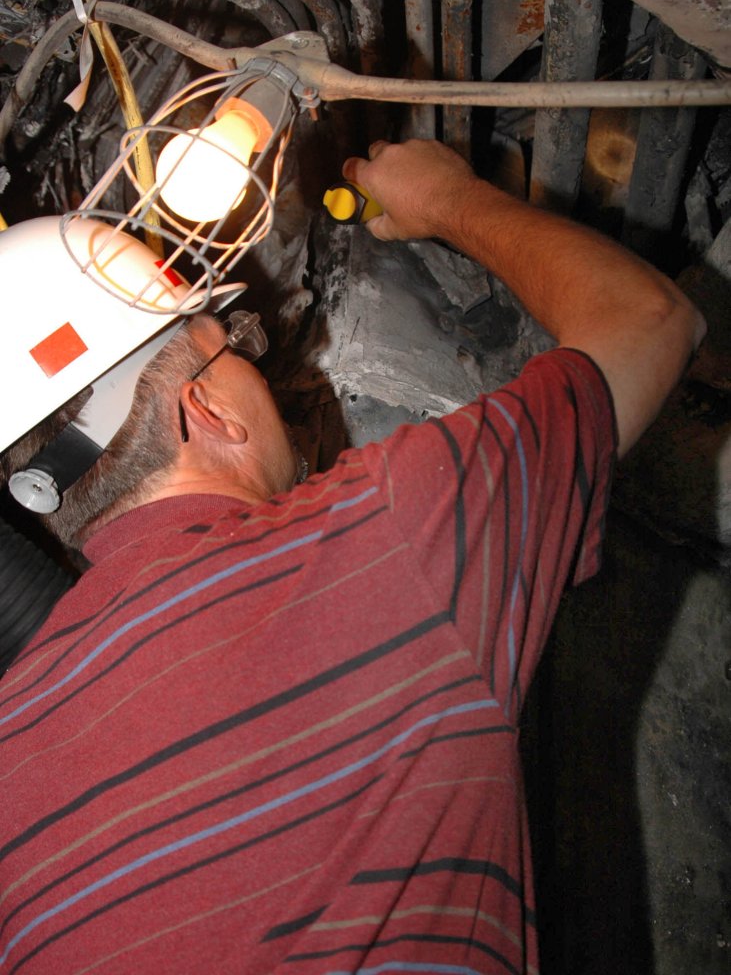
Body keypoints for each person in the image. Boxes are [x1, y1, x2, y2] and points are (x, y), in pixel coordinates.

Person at [0, 139, 704, 974]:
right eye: (237, 346)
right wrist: (447, 199)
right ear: (208, 411)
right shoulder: (380, 534)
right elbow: (649, 319)